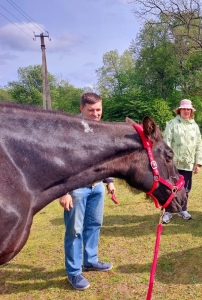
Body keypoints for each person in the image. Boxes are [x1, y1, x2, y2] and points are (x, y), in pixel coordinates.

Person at [59, 92, 115, 290]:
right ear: (81, 109)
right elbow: (61, 163)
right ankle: (74, 272)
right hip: (76, 190)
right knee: (74, 231)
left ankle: (90, 261)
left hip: (97, 187)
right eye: (91, 110)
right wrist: (64, 191)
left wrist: (109, 181)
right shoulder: (70, 132)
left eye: (99, 109)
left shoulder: (101, 130)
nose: (96, 114)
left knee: (94, 225)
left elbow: (105, 160)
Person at [162, 99, 202, 223]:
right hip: (173, 164)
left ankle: (183, 209)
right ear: (179, 110)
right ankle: (168, 212)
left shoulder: (194, 126)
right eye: (184, 109)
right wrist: (165, 162)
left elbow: (198, 145)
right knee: (170, 187)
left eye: (189, 109)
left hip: (188, 164)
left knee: (185, 189)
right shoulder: (172, 124)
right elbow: (166, 144)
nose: (186, 111)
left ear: (191, 111)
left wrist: (198, 162)